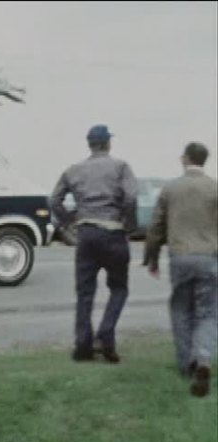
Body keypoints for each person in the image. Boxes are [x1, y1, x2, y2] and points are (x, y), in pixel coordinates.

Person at [50, 125, 138, 363]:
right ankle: (105, 335)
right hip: (113, 232)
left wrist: (71, 221)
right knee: (119, 288)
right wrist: (128, 224)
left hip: (86, 233)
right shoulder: (121, 167)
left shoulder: (73, 170)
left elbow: (54, 200)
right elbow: (130, 197)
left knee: (85, 292)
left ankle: (83, 347)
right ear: (108, 144)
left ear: (90, 144)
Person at [143, 142, 217, 397]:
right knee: (208, 313)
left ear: (186, 159)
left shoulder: (171, 188)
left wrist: (151, 258)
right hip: (209, 258)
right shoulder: (214, 188)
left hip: (180, 257)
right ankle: (204, 358)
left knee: (181, 310)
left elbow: (156, 227)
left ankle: (187, 364)